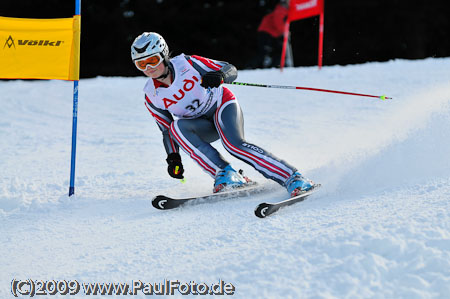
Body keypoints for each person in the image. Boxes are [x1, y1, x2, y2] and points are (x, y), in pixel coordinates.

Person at [131, 32, 314, 196]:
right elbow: (166, 130)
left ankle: (293, 177)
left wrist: (220, 75)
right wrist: (173, 158)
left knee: (234, 145)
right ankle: (226, 174)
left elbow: (230, 69)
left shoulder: (187, 63)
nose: (148, 68)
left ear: (163, 55)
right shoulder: (152, 95)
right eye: (141, 64)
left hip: (222, 107)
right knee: (175, 128)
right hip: (200, 125)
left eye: (152, 60)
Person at [247, 1, 289, 69]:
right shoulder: (281, 10)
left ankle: (275, 66)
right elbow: (278, 23)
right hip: (266, 33)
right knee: (264, 52)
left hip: (270, 33)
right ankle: (251, 66)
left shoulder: (281, 10)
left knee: (275, 51)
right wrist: (284, 32)